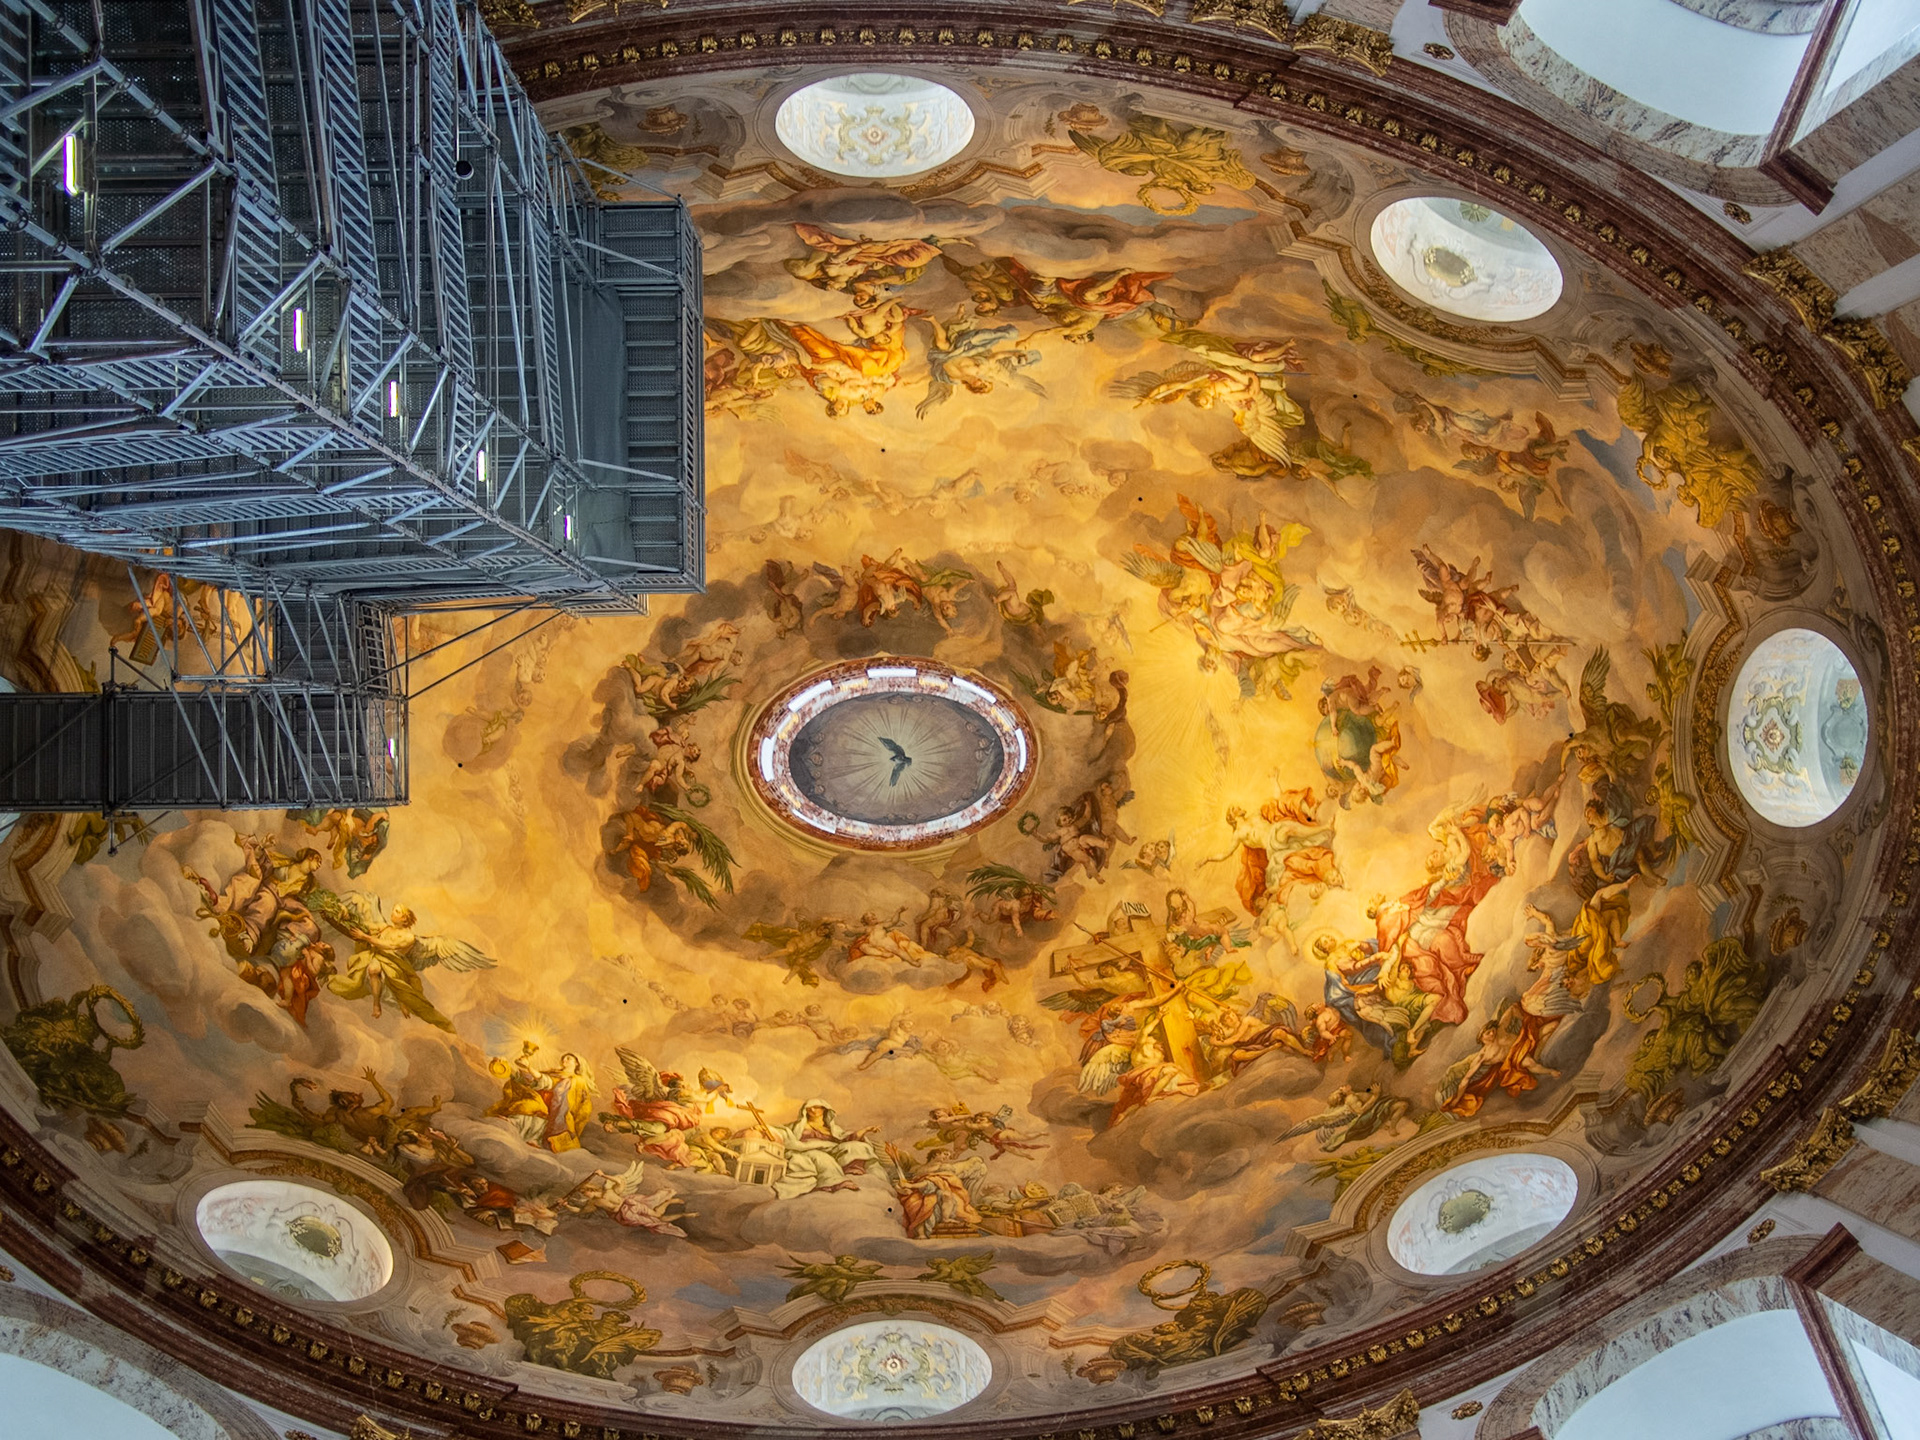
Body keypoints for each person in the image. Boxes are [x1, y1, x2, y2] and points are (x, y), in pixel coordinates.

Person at [774, 1099, 883, 1198]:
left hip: (830, 1150)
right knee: (823, 1158)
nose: (812, 1110)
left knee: (858, 1146)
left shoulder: (833, 1129)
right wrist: (764, 1129)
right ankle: (834, 1182)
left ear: (824, 1109)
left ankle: (852, 1168)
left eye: (816, 1107)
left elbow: (846, 1139)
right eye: (809, 1108)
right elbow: (783, 1132)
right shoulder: (798, 1126)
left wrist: (866, 1130)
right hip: (808, 1151)